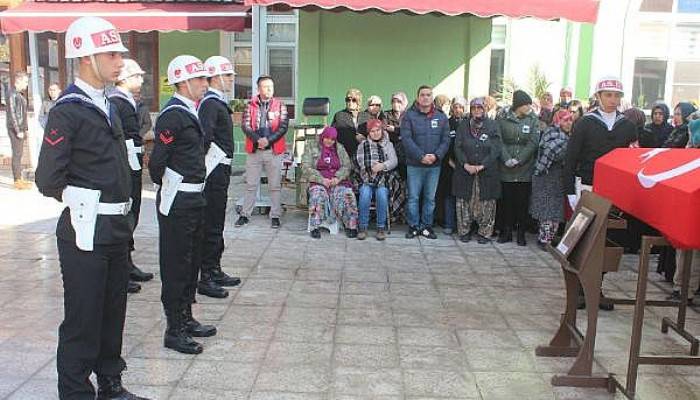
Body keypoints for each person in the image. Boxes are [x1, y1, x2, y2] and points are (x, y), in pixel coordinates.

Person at [34, 16, 148, 400]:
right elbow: (48, 178)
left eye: (119, 53)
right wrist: (83, 200)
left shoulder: (110, 105)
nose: (120, 61)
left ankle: (110, 385)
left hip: (116, 230)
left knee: (113, 315)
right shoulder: (69, 109)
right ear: (85, 57)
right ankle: (75, 393)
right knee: (83, 321)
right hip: (85, 232)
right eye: (111, 54)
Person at [150, 55, 215, 355]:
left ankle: (186, 318)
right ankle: (173, 329)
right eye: (200, 79)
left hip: (195, 198)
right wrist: (171, 187)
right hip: (178, 202)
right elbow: (157, 163)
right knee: (176, 265)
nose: (205, 84)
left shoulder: (191, 111)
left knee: (191, 262)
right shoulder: (172, 115)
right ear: (184, 82)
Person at [563, 76, 637, 311]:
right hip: (587, 186)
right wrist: (569, 192)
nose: (613, 100)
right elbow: (571, 158)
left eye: (617, 95)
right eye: (608, 95)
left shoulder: (628, 126)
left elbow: (633, 160)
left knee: (607, 241)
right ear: (598, 97)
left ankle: (597, 287)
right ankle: (580, 289)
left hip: (616, 191)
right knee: (584, 240)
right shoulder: (585, 123)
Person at [193, 55, 242, 299]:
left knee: (216, 221)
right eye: (229, 75)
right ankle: (207, 275)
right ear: (216, 76)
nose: (232, 80)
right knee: (211, 222)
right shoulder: (211, 104)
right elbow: (204, 138)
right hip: (213, 172)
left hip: (220, 169)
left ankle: (215, 267)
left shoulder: (216, 102)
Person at [108, 59, 154, 295]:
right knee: (126, 214)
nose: (141, 80)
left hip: (133, 160)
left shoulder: (127, 101)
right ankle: (121, 270)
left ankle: (127, 263)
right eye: (136, 76)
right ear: (124, 79)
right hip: (125, 163)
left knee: (133, 213)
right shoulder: (117, 102)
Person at [236, 75, 289, 229]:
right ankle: (245, 215)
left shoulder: (280, 105)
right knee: (251, 185)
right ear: (258, 89)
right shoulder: (250, 105)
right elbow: (245, 126)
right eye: (266, 87)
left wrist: (268, 140)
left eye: (271, 87)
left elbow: (283, 127)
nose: (269, 90)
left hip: (273, 151)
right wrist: (257, 140)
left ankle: (275, 215)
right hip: (254, 151)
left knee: (274, 186)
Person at [402, 85, 450, 239]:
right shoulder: (409, 116)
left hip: (434, 165)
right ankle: (414, 226)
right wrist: (421, 156)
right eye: (422, 95)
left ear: (432, 97)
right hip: (415, 164)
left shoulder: (441, 117)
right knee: (414, 197)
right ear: (417, 97)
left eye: (429, 95)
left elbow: (446, 139)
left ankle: (426, 226)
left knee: (430, 198)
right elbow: (407, 140)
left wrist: (436, 156)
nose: (425, 97)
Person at [452, 98, 501, 244]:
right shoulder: (463, 125)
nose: (477, 111)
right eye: (474, 108)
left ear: (484, 109)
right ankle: (464, 230)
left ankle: (485, 233)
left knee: (487, 203)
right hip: (465, 171)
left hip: (486, 171)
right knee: (464, 202)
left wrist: (482, 165)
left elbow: (496, 149)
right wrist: (465, 164)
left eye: (480, 108)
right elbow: (458, 147)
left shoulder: (492, 125)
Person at [497, 90, 540, 246]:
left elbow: (533, 142)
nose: (529, 107)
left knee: (522, 202)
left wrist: (519, 159)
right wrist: (507, 158)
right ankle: (506, 231)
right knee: (507, 201)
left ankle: (521, 233)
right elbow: (499, 140)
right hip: (506, 167)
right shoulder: (503, 118)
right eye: (526, 104)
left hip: (524, 168)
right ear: (518, 105)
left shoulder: (533, 119)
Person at [302, 126, 359, 239]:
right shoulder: (311, 146)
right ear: (323, 137)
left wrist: (337, 178)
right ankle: (315, 227)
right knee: (317, 195)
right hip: (318, 181)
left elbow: (347, 166)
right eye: (327, 138)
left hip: (337, 181)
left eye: (332, 139)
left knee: (347, 195)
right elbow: (305, 166)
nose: (329, 141)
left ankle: (350, 226)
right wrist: (321, 180)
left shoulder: (340, 148)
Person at [530, 109, 572, 250]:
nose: (569, 123)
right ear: (558, 121)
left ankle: (549, 238)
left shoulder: (567, 136)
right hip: (546, 176)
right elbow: (551, 153)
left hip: (557, 178)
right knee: (547, 211)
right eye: (565, 120)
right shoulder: (552, 134)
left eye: (571, 120)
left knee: (555, 211)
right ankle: (544, 240)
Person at [356, 119, 398, 240]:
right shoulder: (362, 145)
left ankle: (380, 227)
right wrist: (371, 167)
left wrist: (382, 166)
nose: (375, 133)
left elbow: (394, 161)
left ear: (382, 130)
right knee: (364, 193)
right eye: (372, 131)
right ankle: (363, 227)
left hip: (383, 178)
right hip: (367, 177)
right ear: (369, 133)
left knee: (382, 195)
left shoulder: (388, 144)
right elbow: (360, 161)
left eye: (378, 130)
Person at [436, 96, 467, 235]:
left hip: (466, 166)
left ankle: (462, 225)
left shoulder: (468, 124)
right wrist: (450, 162)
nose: (458, 110)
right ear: (451, 109)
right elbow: (443, 144)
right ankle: (449, 223)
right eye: (455, 107)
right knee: (448, 196)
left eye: (461, 107)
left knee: (463, 197)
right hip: (449, 165)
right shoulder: (446, 124)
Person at [6, 71, 30, 190]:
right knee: (17, 154)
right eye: (25, 82)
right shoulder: (12, 94)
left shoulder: (18, 94)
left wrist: (25, 129)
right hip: (15, 129)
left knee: (19, 154)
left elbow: (22, 114)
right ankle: (17, 180)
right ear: (18, 81)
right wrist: (18, 130)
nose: (26, 85)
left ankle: (20, 179)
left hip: (20, 129)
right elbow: (13, 115)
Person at [332, 88, 370, 159]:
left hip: (363, 154)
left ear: (359, 101)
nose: (350, 102)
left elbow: (373, 135)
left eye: (353, 100)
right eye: (348, 100)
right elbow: (333, 135)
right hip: (344, 153)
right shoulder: (339, 115)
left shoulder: (366, 116)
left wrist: (365, 139)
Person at [384, 91, 408, 178]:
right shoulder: (386, 114)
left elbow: (411, 131)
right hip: (391, 149)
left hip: (406, 151)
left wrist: (395, 129)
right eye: (393, 101)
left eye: (399, 101)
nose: (395, 103)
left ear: (404, 103)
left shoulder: (409, 115)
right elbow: (384, 128)